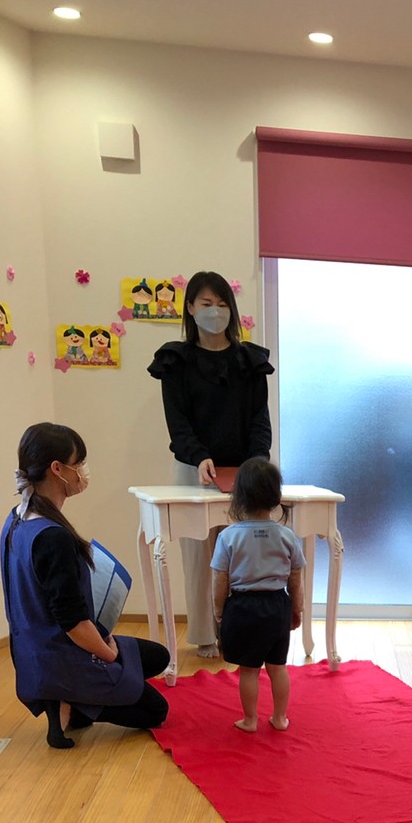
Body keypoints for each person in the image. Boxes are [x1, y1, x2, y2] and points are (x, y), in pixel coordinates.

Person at [1, 423, 169, 748]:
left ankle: (65, 702)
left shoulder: (16, 519)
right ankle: (72, 702)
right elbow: (73, 624)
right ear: (57, 469)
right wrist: (108, 653)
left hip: (34, 652)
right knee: (156, 710)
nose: (83, 470)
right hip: (64, 655)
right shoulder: (52, 537)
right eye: (79, 463)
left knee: (157, 657)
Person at [147, 270, 273, 657]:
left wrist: (255, 466)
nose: (215, 311)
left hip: (244, 474)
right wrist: (199, 456)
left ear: (231, 310)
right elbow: (177, 422)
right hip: (194, 470)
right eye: (206, 304)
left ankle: (239, 631)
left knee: (243, 554)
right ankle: (204, 635)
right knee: (199, 558)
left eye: (222, 304)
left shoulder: (250, 361)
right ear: (190, 308)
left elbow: (260, 421)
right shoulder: (176, 361)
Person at [211, 456, 305, 733]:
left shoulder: (228, 536)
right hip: (277, 605)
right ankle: (280, 718)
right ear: (276, 497)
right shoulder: (287, 536)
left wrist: (218, 610)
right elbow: (296, 578)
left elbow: (220, 579)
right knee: (278, 668)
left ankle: (250, 720)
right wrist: (296, 609)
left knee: (249, 670)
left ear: (239, 497)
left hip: (243, 607)